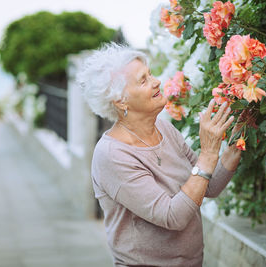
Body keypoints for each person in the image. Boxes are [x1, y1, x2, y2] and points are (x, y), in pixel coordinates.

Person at [78, 43, 242, 267]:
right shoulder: (112, 155)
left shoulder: (164, 129)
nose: (156, 82)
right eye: (143, 80)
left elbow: (208, 186)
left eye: (151, 74)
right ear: (121, 101)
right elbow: (172, 216)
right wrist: (209, 152)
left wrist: (234, 148)